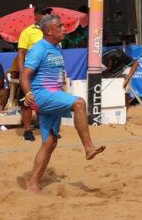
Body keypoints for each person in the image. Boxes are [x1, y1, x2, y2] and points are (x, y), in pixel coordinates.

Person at [21, 14, 105, 193]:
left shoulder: (57, 47)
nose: (64, 29)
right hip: (42, 95)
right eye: (60, 26)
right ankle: (88, 147)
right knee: (79, 103)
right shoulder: (39, 49)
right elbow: (25, 74)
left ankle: (32, 183)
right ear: (49, 30)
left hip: (54, 93)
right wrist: (27, 92)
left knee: (50, 142)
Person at [10, 5, 52, 141]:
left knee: (46, 100)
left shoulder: (51, 31)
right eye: (44, 13)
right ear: (36, 16)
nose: (47, 15)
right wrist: (22, 72)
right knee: (27, 100)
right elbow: (21, 53)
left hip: (46, 71)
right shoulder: (27, 32)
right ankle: (28, 130)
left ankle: (45, 127)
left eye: (48, 13)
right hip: (31, 71)